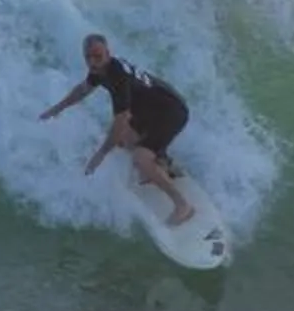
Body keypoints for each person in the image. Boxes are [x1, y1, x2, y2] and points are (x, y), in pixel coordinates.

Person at [41, 32, 196, 225]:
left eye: (98, 56)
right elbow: (82, 90)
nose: (93, 62)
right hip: (153, 110)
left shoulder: (117, 76)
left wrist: (101, 154)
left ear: (108, 53)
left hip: (170, 111)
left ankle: (183, 205)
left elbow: (121, 121)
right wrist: (56, 109)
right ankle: (164, 164)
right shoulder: (101, 70)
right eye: (88, 57)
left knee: (140, 157)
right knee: (125, 139)